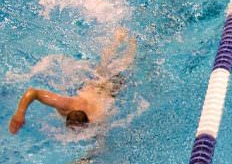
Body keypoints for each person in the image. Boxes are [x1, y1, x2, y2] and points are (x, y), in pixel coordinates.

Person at [8, 28, 136, 135]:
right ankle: (120, 39)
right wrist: (19, 114)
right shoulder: (66, 104)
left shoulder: (97, 117)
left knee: (122, 67)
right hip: (94, 85)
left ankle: (131, 44)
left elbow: (100, 141)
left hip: (109, 90)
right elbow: (32, 92)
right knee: (106, 67)